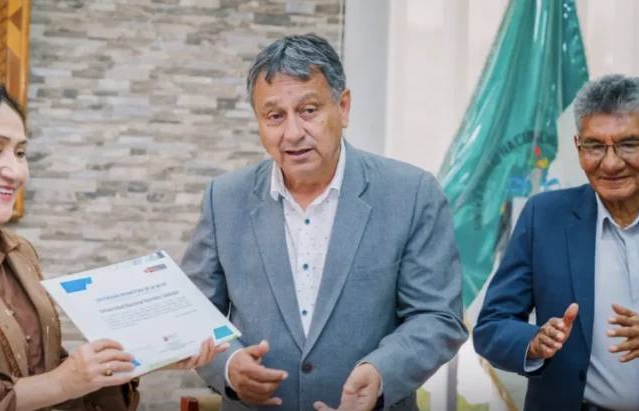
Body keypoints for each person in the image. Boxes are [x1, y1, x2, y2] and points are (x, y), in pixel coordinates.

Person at [0, 81, 225, 411]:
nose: (16, 171)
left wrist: (139, 357)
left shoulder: (20, 253)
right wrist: (62, 382)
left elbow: (54, 384)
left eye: (21, 153)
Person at [181, 34, 468, 411]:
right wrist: (230, 366)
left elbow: (438, 316)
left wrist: (381, 372)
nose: (293, 133)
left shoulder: (412, 193)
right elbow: (192, 313)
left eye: (309, 110)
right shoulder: (224, 198)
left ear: (343, 107)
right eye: (275, 116)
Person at [473, 74, 639, 411]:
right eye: (595, 146)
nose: (611, 163)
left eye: (628, 144)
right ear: (578, 149)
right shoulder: (545, 217)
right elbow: (491, 326)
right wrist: (533, 342)